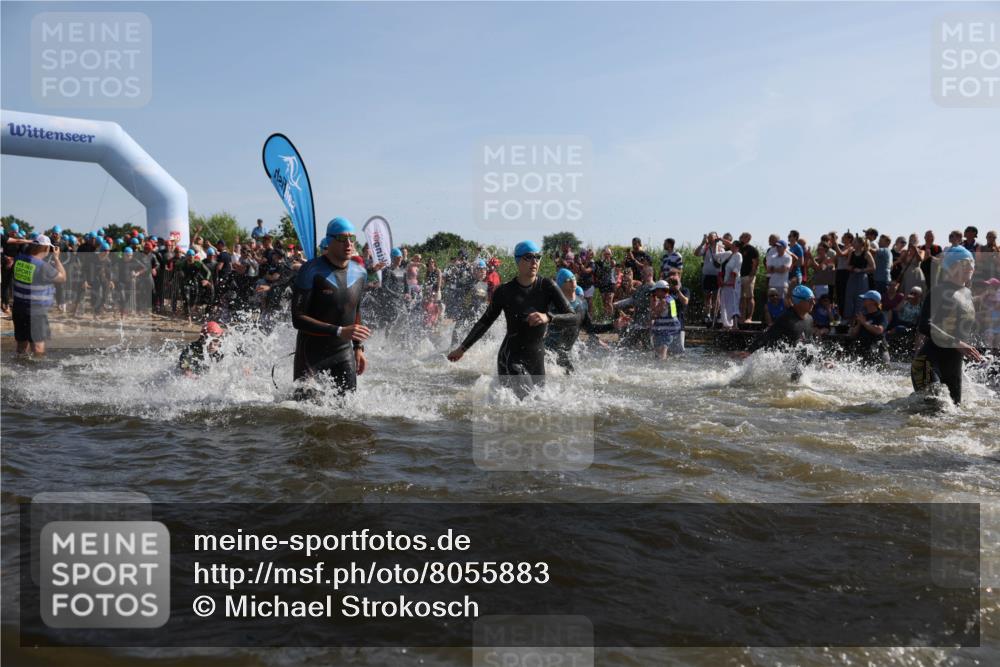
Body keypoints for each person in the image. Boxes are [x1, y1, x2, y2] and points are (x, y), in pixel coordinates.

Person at [447, 240, 574, 399]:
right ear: (518, 260)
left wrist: (548, 317)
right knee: (524, 403)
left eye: (537, 257)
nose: (535, 261)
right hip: (511, 357)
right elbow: (485, 321)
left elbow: (573, 317)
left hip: (537, 358)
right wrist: (462, 349)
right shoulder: (505, 291)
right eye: (529, 257)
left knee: (538, 406)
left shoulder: (547, 286)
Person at [290, 217, 371, 396]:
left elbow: (355, 310)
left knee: (348, 411)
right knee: (303, 412)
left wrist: (358, 346)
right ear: (329, 241)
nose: (348, 243)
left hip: (343, 351)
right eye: (342, 238)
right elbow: (297, 318)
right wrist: (339, 330)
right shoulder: (311, 270)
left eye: (352, 238)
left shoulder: (360, 272)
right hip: (311, 353)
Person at [911, 246, 983, 405]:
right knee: (935, 410)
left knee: (953, 413)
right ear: (951, 267)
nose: (970, 266)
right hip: (927, 362)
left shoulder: (967, 294)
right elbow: (924, 325)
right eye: (964, 263)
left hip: (953, 364)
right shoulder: (938, 291)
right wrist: (957, 343)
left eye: (972, 262)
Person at [544, 269, 612, 373]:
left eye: (574, 278)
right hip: (549, 352)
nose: (572, 281)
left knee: (572, 377)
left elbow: (590, 328)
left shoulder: (582, 303)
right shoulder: (552, 303)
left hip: (566, 352)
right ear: (560, 285)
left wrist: (613, 325)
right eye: (568, 279)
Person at [11, 235, 66, 358]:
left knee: (21, 345)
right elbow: (62, 278)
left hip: (18, 308)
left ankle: (21, 370)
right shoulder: (43, 267)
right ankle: (38, 373)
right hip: (36, 312)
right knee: (38, 348)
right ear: (46, 248)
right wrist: (56, 259)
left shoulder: (19, 259)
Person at [846, 290, 889, 365]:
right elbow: (852, 334)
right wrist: (859, 323)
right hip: (864, 350)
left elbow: (879, 330)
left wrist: (864, 323)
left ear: (873, 301)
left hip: (878, 351)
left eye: (866, 299)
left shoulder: (881, 315)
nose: (863, 300)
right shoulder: (863, 315)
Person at [650, 280, 684, 359]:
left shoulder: (664, 301)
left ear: (661, 290)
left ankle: (660, 370)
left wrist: (652, 302)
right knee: (668, 356)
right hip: (671, 332)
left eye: (655, 291)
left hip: (665, 333)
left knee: (661, 357)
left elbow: (653, 315)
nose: (654, 294)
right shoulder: (670, 299)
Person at [843, 235, 874, 319]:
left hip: (862, 278)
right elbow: (847, 266)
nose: (853, 242)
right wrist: (852, 268)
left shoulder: (866, 253)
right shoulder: (851, 253)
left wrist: (861, 270)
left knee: (860, 298)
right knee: (849, 297)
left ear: (860, 243)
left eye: (855, 241)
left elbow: (873, 267)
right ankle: (848, 318)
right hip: (852, 277)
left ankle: (860, 318)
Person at [695, 232, 723, 324]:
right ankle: (708, 315)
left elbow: (720, 258)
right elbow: (696, 253)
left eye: (712, 238)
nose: (711, 239)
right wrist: (703, 243)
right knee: (707, 296)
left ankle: (717, 314)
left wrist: (717, 244)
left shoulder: (720, 248)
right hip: (707, 275)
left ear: (716, 238)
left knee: (716, 296)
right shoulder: (706, 247)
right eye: (709, 238)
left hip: (716, 275)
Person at [718, 239, 742, 329]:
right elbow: (721, 268)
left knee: (733, 303)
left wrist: (731, 281)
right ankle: (726, 324)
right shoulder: (728, 255)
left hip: (733, 283)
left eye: (735, 246)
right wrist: (720, 279)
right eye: (732, 245)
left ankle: (735, 324)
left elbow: (737, 268)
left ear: (738, 248)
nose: (733, 247)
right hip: (724, 282)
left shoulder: (738, 256)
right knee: (724, 302)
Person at [738, 233, 759, 321]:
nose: (741, 238)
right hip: (739, 276)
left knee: (750, 297)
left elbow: (756, 263)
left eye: (743, 237)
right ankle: (742, 317)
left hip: (749, 276)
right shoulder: (739, 248)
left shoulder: (752, 249)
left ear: (748, 238)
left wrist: (752, 274)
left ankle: (749, 317)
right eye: (741, 237)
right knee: (742, 297)